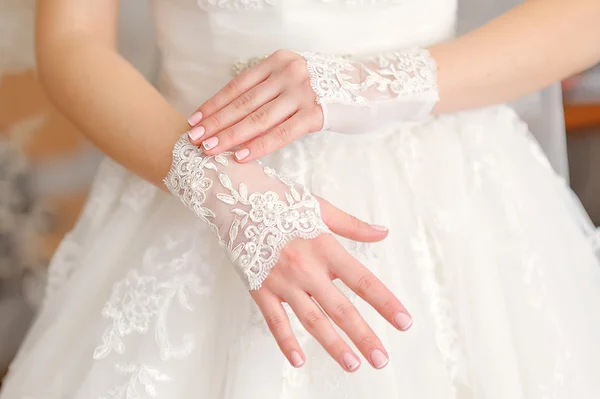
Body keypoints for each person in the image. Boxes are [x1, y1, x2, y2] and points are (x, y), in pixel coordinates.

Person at [2, 0, 600, 397]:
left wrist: (364, 84)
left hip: (451, 198)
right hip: (202, 182)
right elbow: (72, 43)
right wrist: (229, 195)